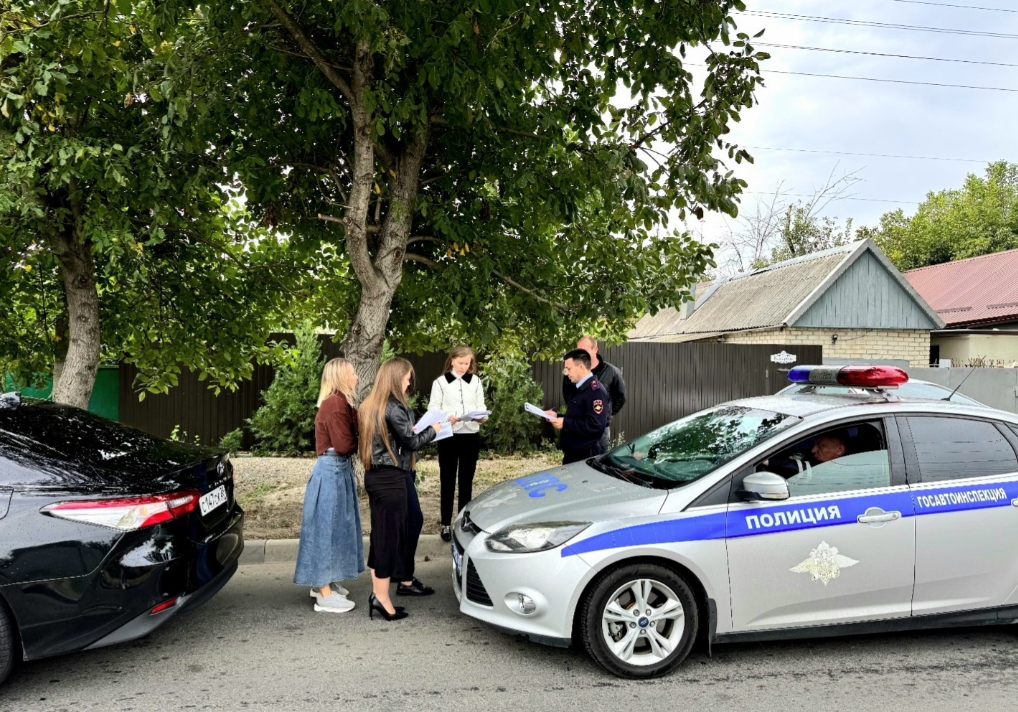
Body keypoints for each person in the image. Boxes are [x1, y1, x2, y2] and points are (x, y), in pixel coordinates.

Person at [359, 358, 441, 621]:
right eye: (407, 377)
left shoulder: (371, 404)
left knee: (381, 538)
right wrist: (434, 430)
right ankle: (381, 599)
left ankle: (379, 595)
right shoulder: (393, 407)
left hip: (378, 476)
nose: (409, 381)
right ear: (396, 378)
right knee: (386, 541)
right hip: (391, 479)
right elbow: (412, 441)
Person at [293, 358, 365, 613]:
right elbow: (345, 445)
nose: (356, 377)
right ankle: (323, 593)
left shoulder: (341, 402)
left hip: (338, 470)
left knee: (337, 527)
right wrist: (362, 439)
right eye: (353, 373)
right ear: (341, 377)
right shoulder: (335, 404)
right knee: (327, 529)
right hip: (332, 471)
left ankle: (325, 581)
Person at [429, 346, 487, 543]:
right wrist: (448, 417)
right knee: (447, 479)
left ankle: (463, 521)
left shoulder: (476, 382)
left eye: (467, 363)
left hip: (470, 435)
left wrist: (481, 417)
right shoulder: (440, 383)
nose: (464, 367)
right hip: (448, 436)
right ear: (452, 361)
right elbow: (433, 409)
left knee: (466, 480)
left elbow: (481, 407)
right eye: (461, 363)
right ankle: (446, 522)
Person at [562, 336, 626, 452]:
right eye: (578, 351)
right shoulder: (571, 374)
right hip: (577, 426)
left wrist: (606, 415)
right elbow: (568, 397)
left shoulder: (611, 372)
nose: (580, 354)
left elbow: (620, 398)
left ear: (595, 350)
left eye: (584, 351)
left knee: (596, 462)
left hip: (599, 431)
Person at [547, 349, 611, 465]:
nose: (566, 373)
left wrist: (565, 423)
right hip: (573, 455)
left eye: (569, 368)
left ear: (581, 367)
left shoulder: (595, 392)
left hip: (585, 458)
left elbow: (595, 425)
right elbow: (577, 416)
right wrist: (557, 416)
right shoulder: (579, 388)